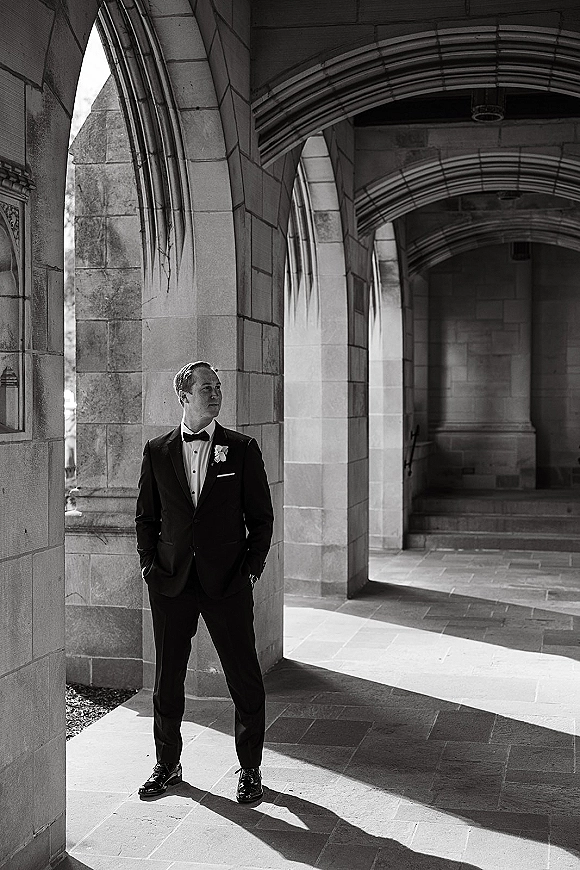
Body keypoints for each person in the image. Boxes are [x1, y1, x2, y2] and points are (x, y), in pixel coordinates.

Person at [135, 361, 274, 803]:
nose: (215, 394)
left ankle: (250, 769)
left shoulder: (242, 449)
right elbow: (146, 516)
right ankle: (167, 763)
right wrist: (149, 567)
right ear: (184, 395)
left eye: (218, 387)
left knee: (244, 676)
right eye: (206, 388)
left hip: (228, 582)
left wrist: (250, 568)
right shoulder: (156, 451)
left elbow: (261, 518)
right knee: (167, 678)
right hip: (172, 582)